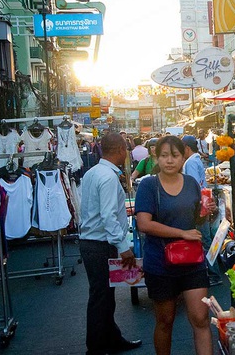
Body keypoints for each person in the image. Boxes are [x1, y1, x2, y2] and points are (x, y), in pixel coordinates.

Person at [134, 136, 213, 355]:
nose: (169, 161)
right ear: (156, 157)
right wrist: (182, 234)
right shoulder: (149, 185)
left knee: (200, 317)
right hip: (160, 264)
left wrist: (208, 212)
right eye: (164, 156)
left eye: (175, 156)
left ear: (183, 156)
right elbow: (144, 224)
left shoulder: (191, 183)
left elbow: (196, 220)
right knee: (165, 320)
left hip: (193, 261)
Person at [79, 132, 142, 355]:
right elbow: (108, 216)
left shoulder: (93, 173)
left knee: (106, 294)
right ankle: (95, 347)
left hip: (92, 242)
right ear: (120, 150)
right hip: (99, 244)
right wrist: (123, 246)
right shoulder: (106, 177)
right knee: (100, 296)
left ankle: (111, 338)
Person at [182, 135, 222, 286]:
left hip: (199, 206)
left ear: (186, 147)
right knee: (205, 240)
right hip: (203, 204)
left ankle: (214, 275)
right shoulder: (196, 160)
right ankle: (212, 273)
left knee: (204, 241)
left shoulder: (191, 162)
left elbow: (193, 187)